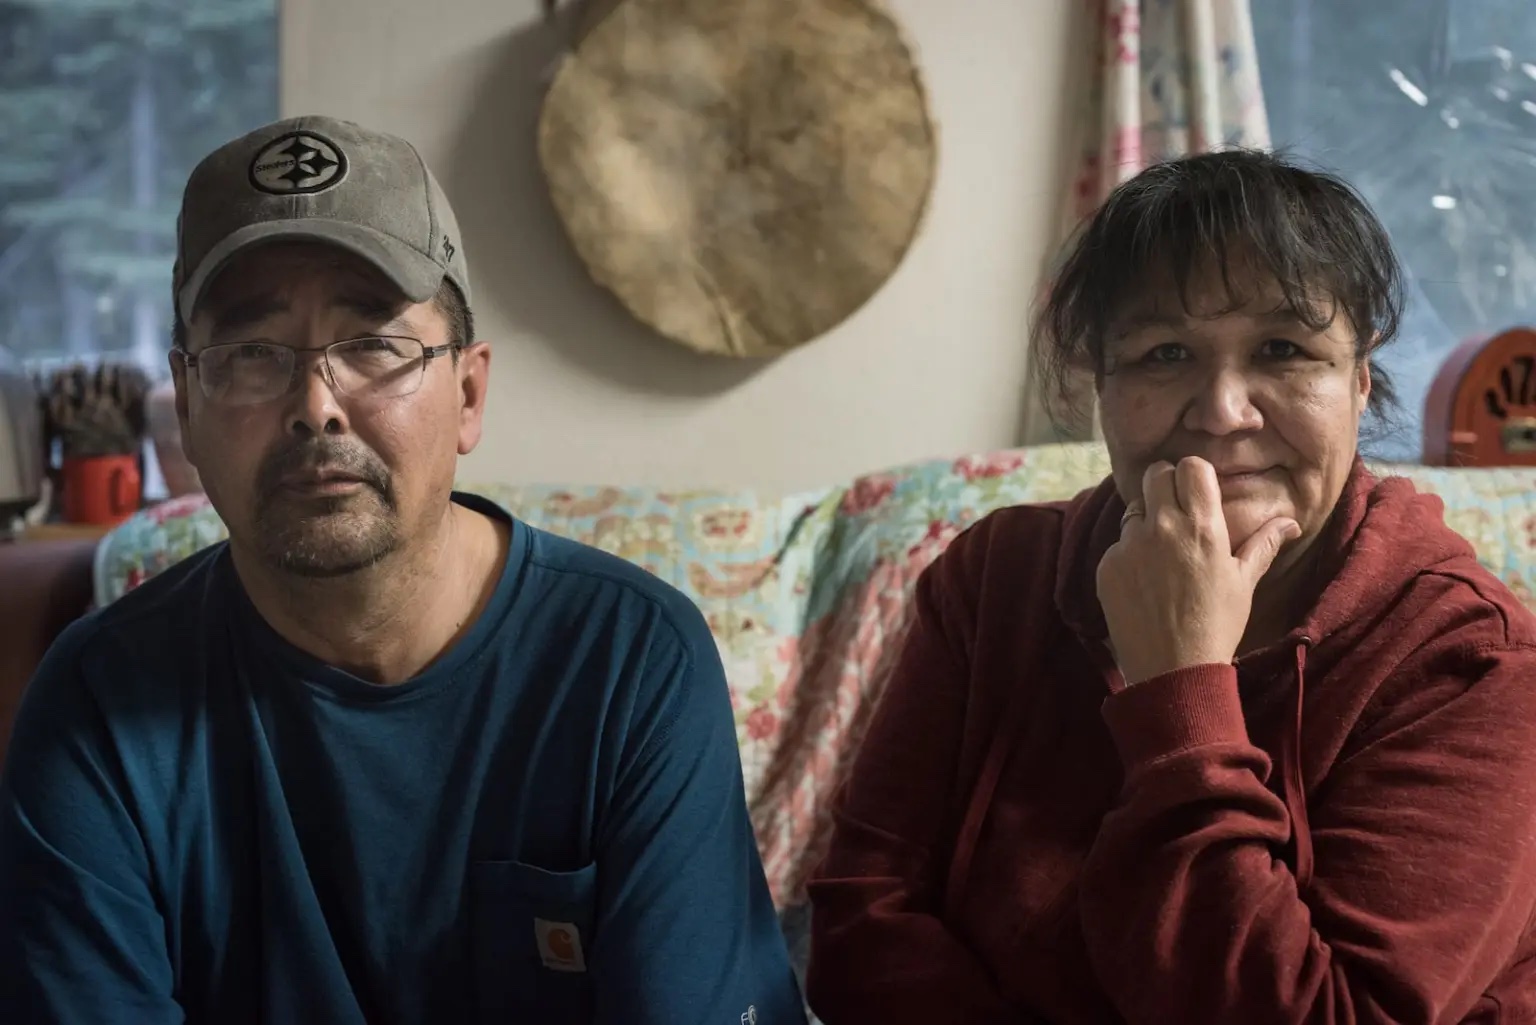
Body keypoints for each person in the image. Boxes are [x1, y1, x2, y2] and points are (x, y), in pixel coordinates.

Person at [0, 115, 805, 1025]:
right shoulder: (97, 707)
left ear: (468, 392)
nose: (315, 407)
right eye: (252, 354)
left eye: (375, 344)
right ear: (185, 405)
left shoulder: (629, 664)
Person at [806, 149, 1536, 1024]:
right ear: (1103, 390)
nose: (1223, 409)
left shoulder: (1469, 659)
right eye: (1163, 353)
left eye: (1283, 348)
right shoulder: (995, 578)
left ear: (1359, 382)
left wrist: (1178, 689)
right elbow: (862, 916)